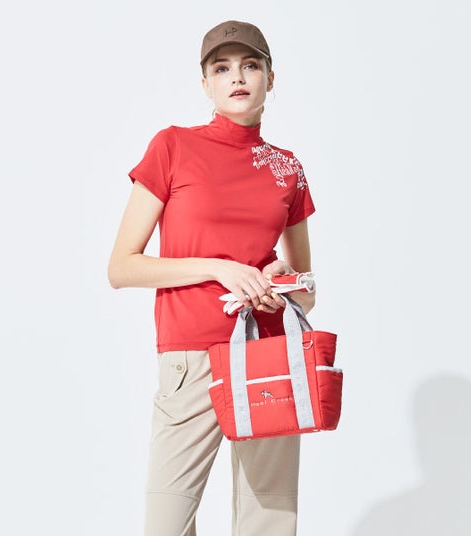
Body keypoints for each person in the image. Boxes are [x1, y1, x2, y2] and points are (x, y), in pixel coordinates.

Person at [108, 20, 316, 536]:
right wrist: (219, 267)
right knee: (167, 523)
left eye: (250, 65)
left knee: (268, 523)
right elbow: (122, 267)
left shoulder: (287, 168)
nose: (236, 77)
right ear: (205, 84)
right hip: (190, 357)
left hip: (267, 356)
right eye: (221, 68)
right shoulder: (173, 146)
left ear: (271, 78)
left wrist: (282, 280)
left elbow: (306, 289)